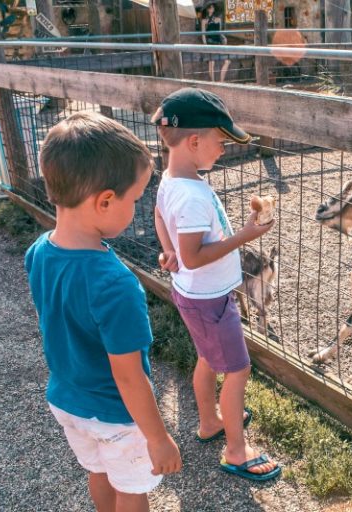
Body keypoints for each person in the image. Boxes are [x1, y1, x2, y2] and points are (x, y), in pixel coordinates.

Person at [24, 112, 182, 512]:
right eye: (136, 198)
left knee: (99, 473)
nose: (138, 208)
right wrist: (159, 438)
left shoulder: (39, 252)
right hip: (114, 413)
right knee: (131, 489)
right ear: (105, 201)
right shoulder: (116, 283)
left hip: (66, 399)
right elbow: (129, 377)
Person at [152, 88, 281, 481]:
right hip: (210, 300)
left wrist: (167, 250)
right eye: (220, 141)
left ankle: (210, 421)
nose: (224, 149)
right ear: (194, 141)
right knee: (238, 371)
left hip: (195, 295)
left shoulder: (172, 179)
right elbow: (194, 257)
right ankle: (237, 451)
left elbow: (160, 217)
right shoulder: (191, 194)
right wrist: (245, 235)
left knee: (208, 358)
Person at [201, 3, 231, 82]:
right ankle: (213, 82)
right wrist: (205, 45)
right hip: (210, 42)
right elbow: (203, 34)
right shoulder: (204, 21)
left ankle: (221, 81)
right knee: (212, 63)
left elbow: (220, 32)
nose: (211, 9)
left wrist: (224, 38)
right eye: (210, 8)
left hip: (219, 42)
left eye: (212, 7)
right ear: (207, 9)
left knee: (227, 61)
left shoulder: (218, 19)